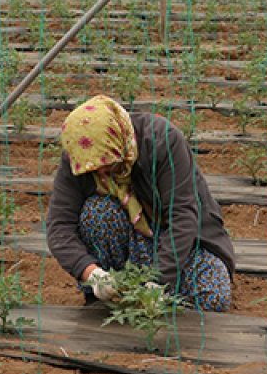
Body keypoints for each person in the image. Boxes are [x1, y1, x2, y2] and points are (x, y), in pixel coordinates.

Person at [46, 95, 235, 312]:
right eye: (93, 169)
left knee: (213, 297)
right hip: (129, 242)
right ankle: (111, 296)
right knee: (97, 213)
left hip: (184, 243)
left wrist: (160, 280)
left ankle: (158, 296)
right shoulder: (80, 156)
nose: (99, 173)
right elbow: (59, 225)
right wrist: (92, 274)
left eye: (106, 164)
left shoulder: (163, 141)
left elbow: (183, 217)